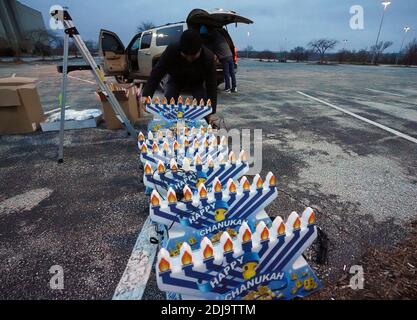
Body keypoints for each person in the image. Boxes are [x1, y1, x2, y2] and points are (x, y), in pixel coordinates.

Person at [140, 30, 218, 125]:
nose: (189, 59)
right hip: (175, 79)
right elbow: (157, 72)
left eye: (193, 57)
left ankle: (204, 128)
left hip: (196, 82)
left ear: (200, 50)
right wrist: (146, 94)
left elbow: (212, 85)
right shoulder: (172, 50)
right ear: (180, 49)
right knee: (169, 101)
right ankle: (170, 126)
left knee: (203, 106)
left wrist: (211, 111)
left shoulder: (208, 57)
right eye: (185, 56)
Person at [212, 29, 237, 93]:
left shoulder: (215, 42)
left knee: (226, 74)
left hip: (225, 58)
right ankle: (234, 88)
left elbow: (212, 52)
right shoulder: (224, 39)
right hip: (230, 56)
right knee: (232, 73)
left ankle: (227, 88)